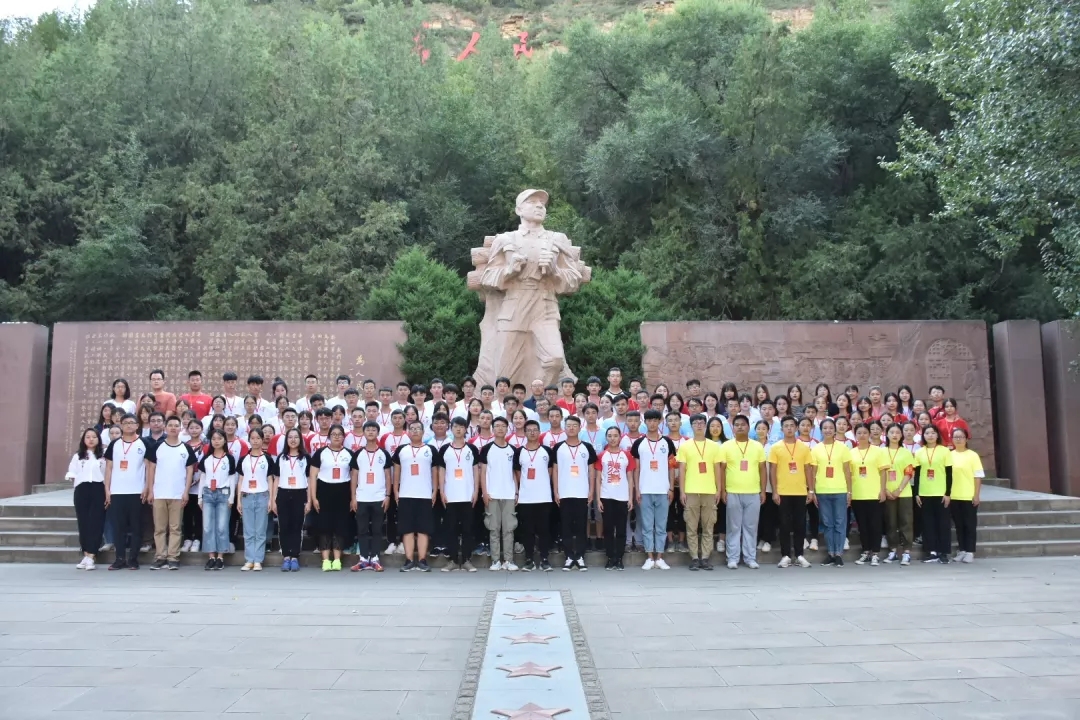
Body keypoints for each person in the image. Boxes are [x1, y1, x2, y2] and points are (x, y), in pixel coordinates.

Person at [103, 414, 154, 570]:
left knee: (136, 526)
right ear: (121, 425)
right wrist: (107, 489)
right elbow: (109, 467)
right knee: (118, 527)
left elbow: (149, 467)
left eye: (132, 423)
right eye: (125, 423)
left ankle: (133, 559)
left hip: (137, 491)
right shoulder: (114, 444)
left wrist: (147, 488)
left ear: (137, 425)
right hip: (117, 491)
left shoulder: (144, 443)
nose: (129, 425)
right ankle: (119, 558)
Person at [146, 416, 197, 571]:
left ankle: (173, 557)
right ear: (165, 428)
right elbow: (151, 469)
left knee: (175, 528)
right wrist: (150, 490)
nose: (173, 428)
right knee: (159, 528)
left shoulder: (186, 448)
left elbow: (189, 471)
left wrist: (186, 492)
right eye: (170, 425)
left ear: (181, 428)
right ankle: (160, 557)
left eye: (176, 425)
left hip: (177, 494)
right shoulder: (157, 446)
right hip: (159, 493)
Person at [719, 415, 767, 570]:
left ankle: (750, 558)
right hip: (733, 491)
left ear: (748, 427)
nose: (740, 427)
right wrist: (723, 490)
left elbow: (762, 469)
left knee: (751, 527)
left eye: (743, 424)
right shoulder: (726, 446)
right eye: (737, 424)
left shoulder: (757, 446)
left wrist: (763, 491)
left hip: (753, 492)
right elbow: (722, 470)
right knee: (733, 527)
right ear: (733, 428)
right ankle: (732, 558)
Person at [631, 410, 677, 570]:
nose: (652, 423)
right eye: (649, 420)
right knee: (647, 525)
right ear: (645, 422)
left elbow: (672, 467)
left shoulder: (667, 442)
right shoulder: (639, 443)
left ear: (660, 421)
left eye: (655, 420)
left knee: (661, 526)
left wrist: (671, 488)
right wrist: (637, 490)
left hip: (663, 490)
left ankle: (660, 557)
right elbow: (636, 469)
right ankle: (650, 557)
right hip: (645, 490)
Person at [676, 414, 723, 571]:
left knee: (708, 526)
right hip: (691, 491)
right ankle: (695, 557)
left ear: (706, 425)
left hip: (709, 491)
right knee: (692, 526)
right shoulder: (685, 446)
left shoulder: (714, 446)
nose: (699, 425)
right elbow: (682, 470)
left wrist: (718, 489)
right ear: (691, 426)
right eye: (696, 423)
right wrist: (682, 491)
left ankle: (705, 557)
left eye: (702, 423)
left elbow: (717, 470)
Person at [391, 420, 439, 572]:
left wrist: (435, 491)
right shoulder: (401, 450)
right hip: (406, 494)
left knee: (423, 529)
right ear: (408, 432)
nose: (415, 431)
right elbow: (396, 472)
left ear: (423, 432)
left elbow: (435, 472)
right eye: (412, 428)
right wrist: (396, 491)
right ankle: (409, 560)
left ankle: (423, 560)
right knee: (407, 529)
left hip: (425, 495)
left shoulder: (430, 449)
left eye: (418, 428)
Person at [768, 415, 814, 568]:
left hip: (800, 491)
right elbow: (772, 471)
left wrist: (811, 490)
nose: (789, 428)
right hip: (783, 492)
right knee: (784, 525)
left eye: (792, 425)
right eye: (786, 426)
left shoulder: (804, 448)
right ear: (782, 429)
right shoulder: (776, 447)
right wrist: (775, 491)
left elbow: (808, 469)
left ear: (796, 428)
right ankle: (785, 555)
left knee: (800, 524)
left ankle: (800, 555)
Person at [345, 420, 391, 572]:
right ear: (364, 433)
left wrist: (388, 495)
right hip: (362, 498)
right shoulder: (358, 453)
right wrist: (353, 497)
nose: (371, 432)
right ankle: (364, 559)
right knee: (362, 529)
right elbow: (354, 476)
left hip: (379, 497)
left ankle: (375, 558)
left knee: (377, 529)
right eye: (368, 430)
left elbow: (388, 476)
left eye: (373, 430)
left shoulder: (384, 453)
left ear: (378, 433)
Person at [554, 415, 597, 571]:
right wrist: (556, 491)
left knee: (581, 526)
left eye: (574, 425)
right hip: (564, 493)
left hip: (582, 493)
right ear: (564, 428)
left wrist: (591, 491)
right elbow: (555, 470)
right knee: (565, 526)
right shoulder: (558, 447)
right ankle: (568, 556)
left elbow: (592, 471)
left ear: (580, 428)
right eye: (568, 425)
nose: (571, 428)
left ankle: (579, 556)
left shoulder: (587, 447)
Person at [437, 417, 480, 572]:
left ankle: (467, 560)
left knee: (468, 529)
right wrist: (441, 491)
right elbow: (441, 471)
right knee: (451, 529)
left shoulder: (472, 449)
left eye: (462, 427)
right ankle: (453, 560)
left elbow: (476, 471)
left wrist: (476, 491)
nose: (458, 429)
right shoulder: (444, 449)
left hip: (468, 495)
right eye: (455, 426)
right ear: (451, 428)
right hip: (450, 496)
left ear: (466, 429)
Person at [309, 425, 354, 572]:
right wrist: (314, 497)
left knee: (340, 526)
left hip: (343, 492)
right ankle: (326, 560)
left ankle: (337, 560)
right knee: (324, 526)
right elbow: (313, 476)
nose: (336, 437)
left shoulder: (349, 454)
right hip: (324, 491)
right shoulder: (320, 453)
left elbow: (354, 477)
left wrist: (352, 497)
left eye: (339, 434)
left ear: (343, 437)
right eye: (333, 434)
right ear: (329, 436)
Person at [810, 418, 852, 567]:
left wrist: (849, 492)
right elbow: (813, 472)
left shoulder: (843, 448)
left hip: (840, 490)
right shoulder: (816, 449)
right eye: (825, 428)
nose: (828, 430)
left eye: (830, 428)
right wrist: (813, 491)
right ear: (821, 430)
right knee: (827, 523)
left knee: (840, 523)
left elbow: (847, 471)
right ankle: (830, 553)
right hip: (822, 491)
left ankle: (838, 554)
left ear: (835, 430)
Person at [515, 420, 557, 572]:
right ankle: (529, 560)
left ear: (539, 432)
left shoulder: (547, 451)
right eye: (529, 430)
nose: (532, 432)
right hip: (525, 498)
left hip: (544, 497)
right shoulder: (519, 452)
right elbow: (517, 473)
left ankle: (545, 559)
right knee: (528, 530)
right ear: (524, 433)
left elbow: (551, 471)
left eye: (535, 430)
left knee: (544, 530)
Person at [479, 417, 519, 571]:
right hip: (492, 494)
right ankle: (495, 560)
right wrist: (484, 492)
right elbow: (483, 472)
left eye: (503, 426)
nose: (500, 429)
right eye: (497, 426)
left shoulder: (513, 450)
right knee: (493, 528)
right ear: (493, 429)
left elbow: (514, 473)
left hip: (509, 494)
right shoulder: (487, 449)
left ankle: (508, 560)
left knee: (509, 529)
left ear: (508, 429)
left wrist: (516, 492)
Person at [68, 428, 107, 570]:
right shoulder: (78, 456)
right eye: (88, 437)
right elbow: (72, 472)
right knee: (83, 522)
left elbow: (107, 474)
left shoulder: (103, 456)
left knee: (96, 522)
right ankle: (85, 554)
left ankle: (92, 555)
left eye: (94, 437)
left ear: (98, 439)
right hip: (82, 489)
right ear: (83, 440)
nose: (91, 439)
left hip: (98, 488)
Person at [596, 426, 636, 570]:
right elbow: (598, 479)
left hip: (622, 497)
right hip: (606, 496)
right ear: (606, 437)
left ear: (620, 437)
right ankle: (609, 557)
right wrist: (598, 499)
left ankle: (619, 558)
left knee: (621, 530)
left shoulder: (627, 455)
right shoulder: (602, 455)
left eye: (615, 435)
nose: (612, 438)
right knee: (608, 529)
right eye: (610, 436)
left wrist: (630, 498)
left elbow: (630, 478)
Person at [198, 429, 237, 570]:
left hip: (223, 493)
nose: (216, 441)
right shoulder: (207, 459)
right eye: (214, 439)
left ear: (224, 440)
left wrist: (231, 497)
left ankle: (220, 556)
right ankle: (211, 556)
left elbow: (232, 479)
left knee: (221, 526)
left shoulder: (229, 458)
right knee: (207, 526)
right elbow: (203, 478)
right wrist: (200, 497)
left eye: (219, 438)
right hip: (208, 493)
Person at [236, 430, 275, 571]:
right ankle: (249, 560)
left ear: (262, 440)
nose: (255, 441)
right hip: (247, 495)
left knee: (260, 530)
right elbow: (240, 480)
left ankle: (258, 560)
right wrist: (239, 500)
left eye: (258, 438)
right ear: (249, 440)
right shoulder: (243, 459)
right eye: (252, 438)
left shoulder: (268, 459)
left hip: (262, 495)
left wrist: (271, 499)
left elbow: (270, 480)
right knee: (248, 530)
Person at [849, 423, 887, 566]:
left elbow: (883, 472)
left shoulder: (878, 451)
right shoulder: (851, 453)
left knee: (875, 525)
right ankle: (866, 551)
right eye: (859, 433)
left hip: (874, 494)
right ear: (855, 435)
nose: (862, 435)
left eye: (865, 432)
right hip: (858, 494)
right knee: (862, 526)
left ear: (869, 434)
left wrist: (882, 490)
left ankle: (875, 553)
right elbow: (849, 474)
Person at [914, 424, 953, 563]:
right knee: (927, 524)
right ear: (923, 436)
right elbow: (917, 475)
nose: (930, 435)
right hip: (925, 493)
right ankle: (931, 551)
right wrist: (917, 493)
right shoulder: (919, 452)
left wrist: (948, 493)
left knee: (943, 524)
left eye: (933, 433)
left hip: (941, 493)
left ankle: (944, 552)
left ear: (937, 435)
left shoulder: (945, 451)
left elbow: (949, 474)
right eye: (927, 433)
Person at [273, 428, 309, 572]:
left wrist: (309, 501)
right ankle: (286, 556)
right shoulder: (281, 458)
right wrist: (273, 499)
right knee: (284, 526)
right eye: (290, 437)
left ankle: (294, 556)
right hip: (283, 493)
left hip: (300, 493)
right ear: (286, 440)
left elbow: (309, 479)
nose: (293, 440)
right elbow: (276, 479)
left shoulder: (305, 458)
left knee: (297, 525)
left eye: (296, 437)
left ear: (300, 440)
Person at [882, 423, 916, 566]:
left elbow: (909, 472)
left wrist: (899, 489)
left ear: (901, 435)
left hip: (904, 492)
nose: (895, 435)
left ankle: (907, 552)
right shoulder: (881, 452)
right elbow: (879, 472)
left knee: (906, 522)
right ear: (887, 434)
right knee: (890, 522)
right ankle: (893, 550)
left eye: (897, 432)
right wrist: (885, 490)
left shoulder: (906, 452)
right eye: (892, 432)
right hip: (887, 492)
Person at [948, 427, 983, 563]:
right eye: (955, 437)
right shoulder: (949, 455)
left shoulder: (972, 455)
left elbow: (977, 477)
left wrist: (976, 495)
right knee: (959, 525)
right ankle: (962, 550)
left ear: (966, 439)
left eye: (961, 437)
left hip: (968, 496)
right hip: (954, 495)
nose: (958, 439)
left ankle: (970, 551)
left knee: (969, 525)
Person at [180, 419, 204, 553]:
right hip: (186, 486)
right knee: (187, 514)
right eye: (192, 428)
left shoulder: (206, 446)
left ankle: (198, 539)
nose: (194, 430)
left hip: (200, 485)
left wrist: (199, 479)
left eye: (197, 428)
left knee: (199, 514)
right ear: (187, 430)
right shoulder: (184, 446)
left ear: (202, 429)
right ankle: (187, 539)